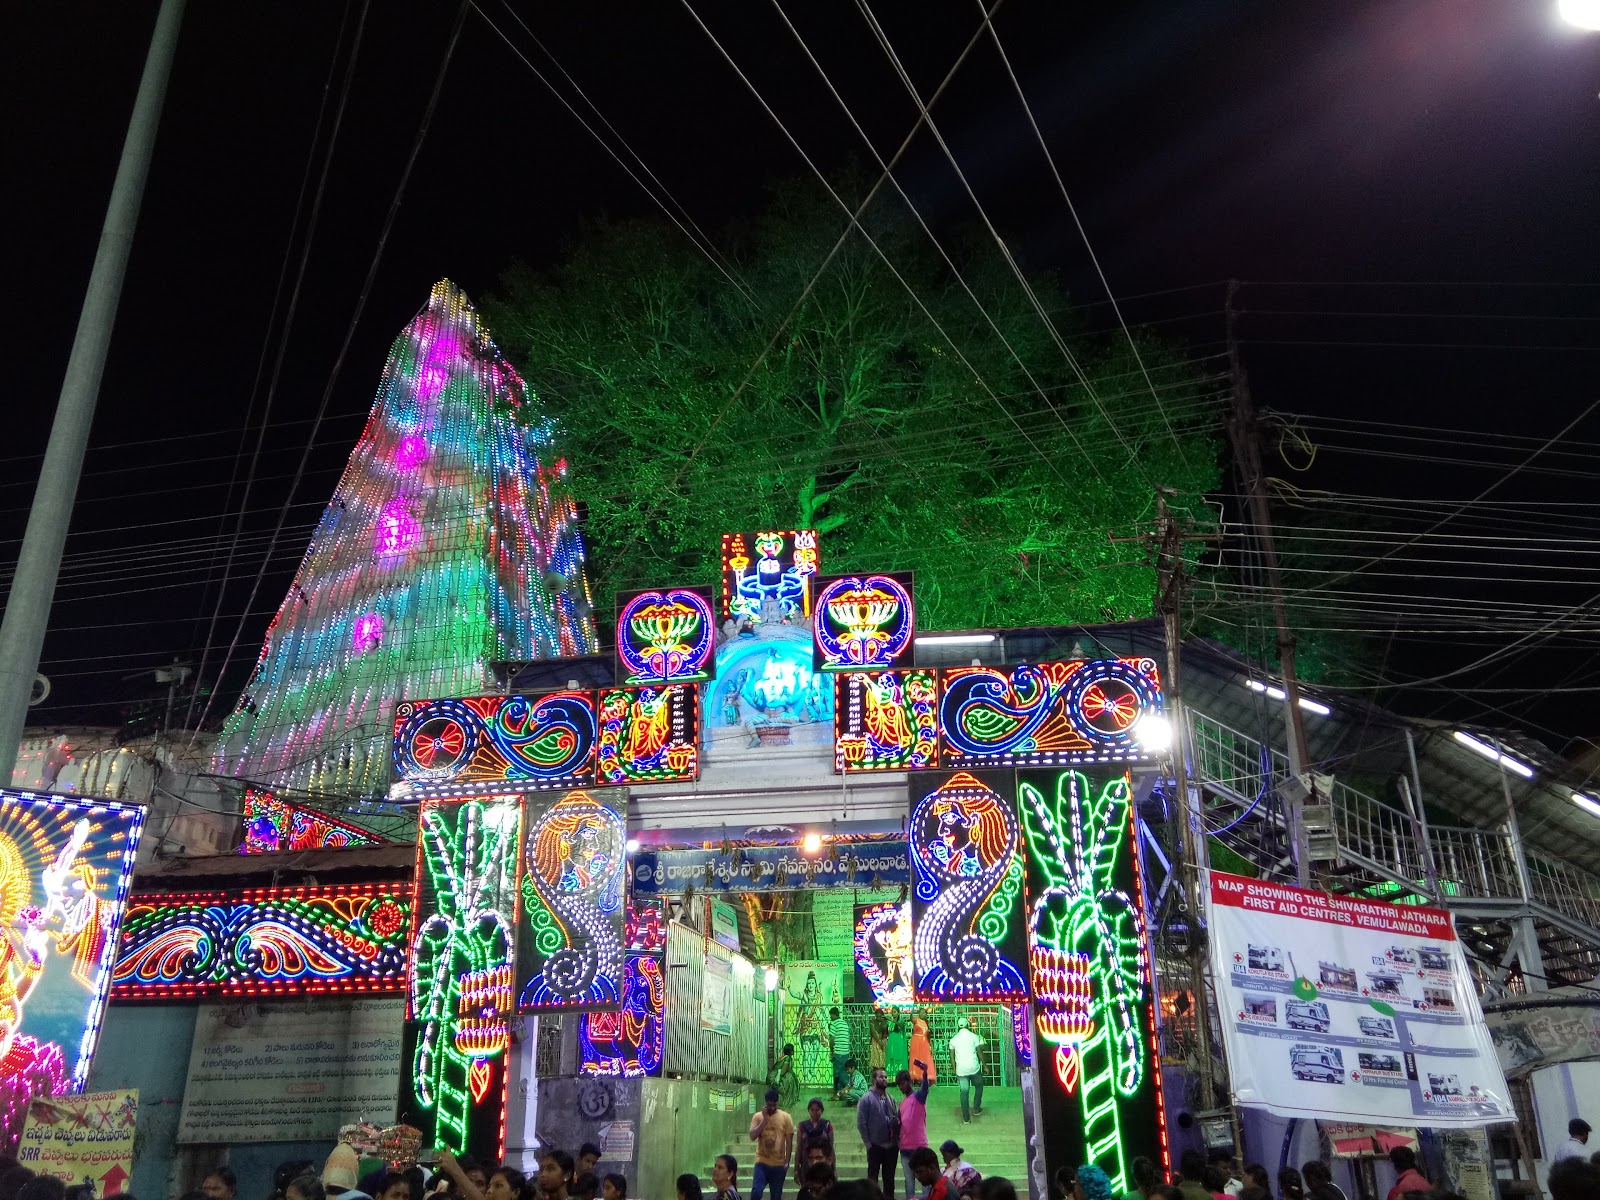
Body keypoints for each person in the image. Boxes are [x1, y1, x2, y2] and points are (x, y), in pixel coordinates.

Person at [857, 1066, 901, 1197]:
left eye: (886, 1077)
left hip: (891, 1146)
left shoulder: (891, 1099)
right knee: (872, 1180)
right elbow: (861, 1123)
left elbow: (898, 1118)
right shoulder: (866, 1099)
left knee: (889, 1180)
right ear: (874, 1079)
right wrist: (868, 1144)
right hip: (875, 1145)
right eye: (881, 1076)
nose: (884, 1079)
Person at [750, 1088, 796, 1200]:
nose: (772, 1108)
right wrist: (764, 1120)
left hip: (778, 1164)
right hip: (762, 1162)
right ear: (765, 1103)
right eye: (769, 1105)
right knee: (756, 1192)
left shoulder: (786, 1117)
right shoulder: (758, 1117)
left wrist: (787, 1162)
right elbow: (752, 1136)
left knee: (776, 1196)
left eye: (774, 1105)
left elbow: (789, 1141)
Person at [897, 1063, 934, 1200]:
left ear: (909, 1081)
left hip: (920, 1148)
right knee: (909, 1183)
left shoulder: (918, 1097)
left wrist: (925, 1073)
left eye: (903, 1083)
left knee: (925, 1183)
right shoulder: (902, 1103)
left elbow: (925, 1088)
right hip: (905, 1149)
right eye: (899, 1085)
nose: (901, 1087)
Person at [948, 1018, 985, 1124]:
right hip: (974, 1068)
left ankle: (966, 1118)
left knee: (964, 1092)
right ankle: (976, 1109)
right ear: (968, 1025)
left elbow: (952, 1057)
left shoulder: (953, 1039)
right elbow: (979, 1052)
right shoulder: (974, 1036)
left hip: (961, 1070)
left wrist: (955, 1070)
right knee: (979, 1086)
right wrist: (985, 1066)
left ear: (958, 1026)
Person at [797, 1100, 835, 1179]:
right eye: (812, 1110)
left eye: (817, 1110)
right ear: (808, 1110)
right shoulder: (802, 1126)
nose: (814, 1112)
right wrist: (796, 1169)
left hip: (823, 1162)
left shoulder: (827, 1125)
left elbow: (831, 1147)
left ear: (822, 1110)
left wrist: (833, 1168)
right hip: (807, 1161)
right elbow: (799, 1147)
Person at [830, 1008, 853, 1098]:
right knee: (844, 1072)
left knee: (838, 1074)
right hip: (846, 1052)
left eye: (831, 1015)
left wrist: (831, 1049)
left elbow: (832, 1039)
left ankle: (839, 1093)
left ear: (833, 1014)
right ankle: (842, 1094)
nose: (830, 1017)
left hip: (838, 1052)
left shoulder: (834, 1024)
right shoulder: (844, 1023)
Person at [771, 1043, 801, 1112]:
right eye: (793, 1050)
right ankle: (786, 1104)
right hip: (780, 1078)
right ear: (791, 1051)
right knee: (790, 1079)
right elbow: (783, 1070)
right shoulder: (787, 1058)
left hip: (778, 1076)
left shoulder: (783, 1057)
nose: (794, 1051)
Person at [908, 1019, 935, 1088]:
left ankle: (924, 1079)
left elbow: (929, 1038)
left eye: (924, 1013)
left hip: (924, 1044)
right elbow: (911, 1018)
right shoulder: (916, 1021)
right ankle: (916, 1079)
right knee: (916, 1060)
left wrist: (931, 1046)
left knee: (925, 1060)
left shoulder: (926, 1023)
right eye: (921, 1013)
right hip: (916, 1043)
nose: (922, 1014)